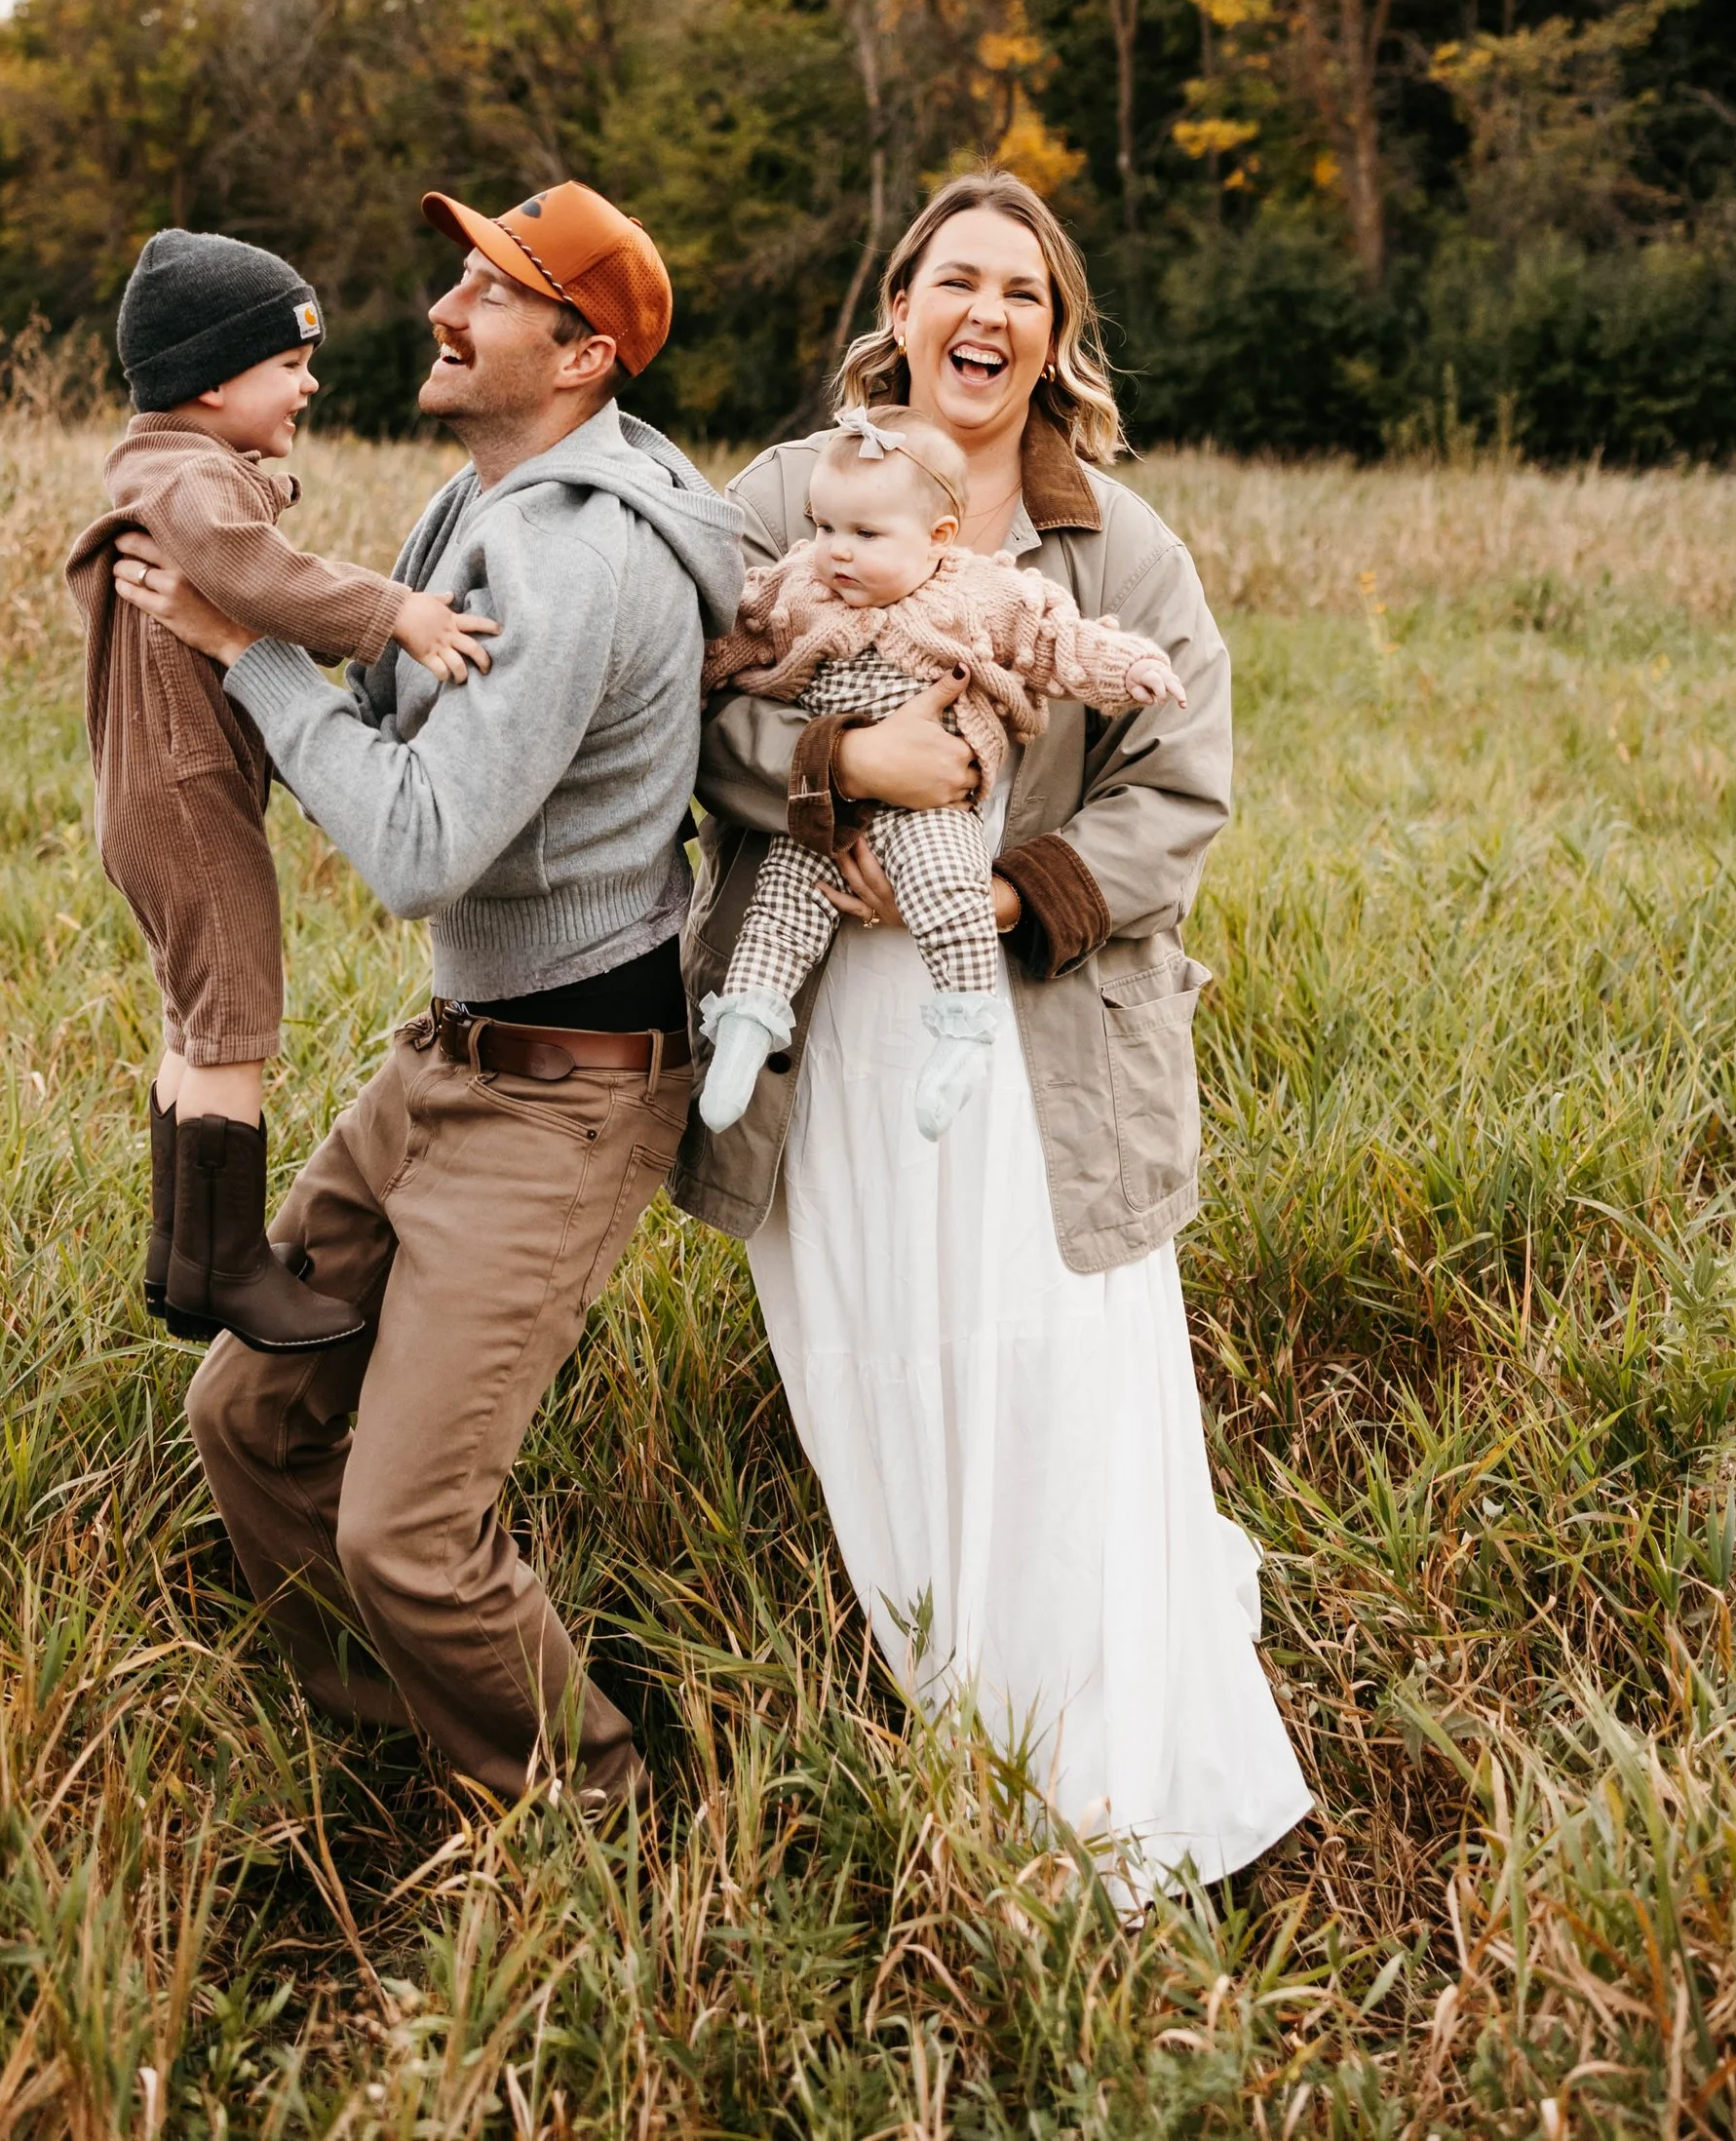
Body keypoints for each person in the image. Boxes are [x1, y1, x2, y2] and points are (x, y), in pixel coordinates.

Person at [675, 170, 1310, 1893]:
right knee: (881, 1366)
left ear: (1056, 332)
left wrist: (1017, 889)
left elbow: (1183, 782)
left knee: (1054, 1376)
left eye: (1021, 293)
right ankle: (960, 1726)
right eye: (955, 280)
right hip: (822, 1037)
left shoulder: (1118, 541)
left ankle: (1100, 1768)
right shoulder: (785, 496)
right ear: (896, 307)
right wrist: (838, 771)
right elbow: (674, 704)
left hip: (1023, 1036)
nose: (984, 315)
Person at [112, 179, 745, 1811]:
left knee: (407, 1528)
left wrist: (241, 646)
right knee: (250, 1420)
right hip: (451, 1058)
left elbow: (419, 844)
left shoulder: (576, 556)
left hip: (568, 1085)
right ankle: (407, 1743)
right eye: (459, 274)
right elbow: (398, 722)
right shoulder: (474, 504)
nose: (444, 309)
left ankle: (590, 1810)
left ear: (585, 353)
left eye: (492, 291)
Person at [65, 227, 497, 1352]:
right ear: (213, 380)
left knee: (196, 1018)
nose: (310, 384)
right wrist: (390, 613)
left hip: (155, 796)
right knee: (236, 1019)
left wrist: (268, 477)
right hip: (188, 793)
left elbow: (234, 533)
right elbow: (257, 569)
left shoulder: (166, 469)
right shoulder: (193, 483)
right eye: (290, 364)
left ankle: (181, 1254)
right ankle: (223, 1267)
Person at [696, 402, 1184, 1142]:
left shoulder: (978, 592)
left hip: (934, 809)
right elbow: (736, 639)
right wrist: (688, 670)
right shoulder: (800, 584)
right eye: (823, 527)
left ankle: (961, 1029)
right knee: (782, 901)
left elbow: (1056, 642)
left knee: (950, 893)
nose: (836, 552)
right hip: (824, 806)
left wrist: (1131, 667)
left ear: (939, 537)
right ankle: (746, 1023)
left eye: (864, 535)